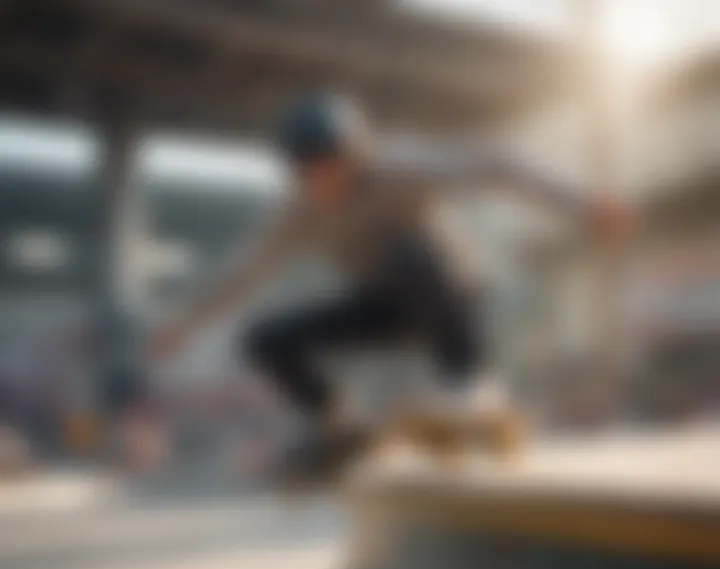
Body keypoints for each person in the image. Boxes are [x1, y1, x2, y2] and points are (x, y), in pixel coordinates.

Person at [152, 92, 630, 465]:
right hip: (383, 309)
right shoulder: (296, 214)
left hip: (451, 293)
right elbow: (246, 272)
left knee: (404, 253)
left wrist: (580, 205)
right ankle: (338, 426)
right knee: (262, 337)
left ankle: (474, 389)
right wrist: (184, 326)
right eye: (308, 173)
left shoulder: (401, 169)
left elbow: (495, 164)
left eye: (330, 166)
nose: (322, 183)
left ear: (355, 154)